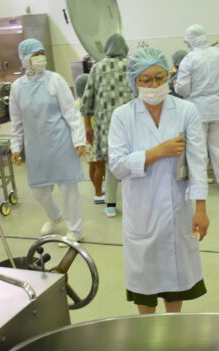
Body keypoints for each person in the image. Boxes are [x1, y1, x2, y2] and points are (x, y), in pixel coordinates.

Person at [109, 47, 209, 314]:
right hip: (141, 209)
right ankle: (146, 331)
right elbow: (117, 166)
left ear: (169, 77)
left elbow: (198, 161)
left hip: (179, 207)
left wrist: (201, 208)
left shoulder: (186, 110)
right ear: (134, 81)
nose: (154, 85)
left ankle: (173, 328)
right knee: (144, 277)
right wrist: (157, 152)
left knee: (175, 275)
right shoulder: (123, 115)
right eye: (146, 79)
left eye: (159, 77)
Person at [10, 38, 86, 243]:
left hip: (60, 142)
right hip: (36, 146)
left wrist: (79, 140)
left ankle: (75, 231)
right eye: (35, 54)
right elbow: (16, 120)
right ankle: (54, 216)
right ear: (24, 58)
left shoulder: (55, 80)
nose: (40, 58)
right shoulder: (17, 87)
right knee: (38, 190)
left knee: (68, 188)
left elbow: (71, 112)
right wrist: (15, 147)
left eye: (42, 53)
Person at [174, 24, 219, 192]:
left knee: (198, 147)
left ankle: (200, 182)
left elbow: (183, 88)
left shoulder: (189, 58)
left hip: (197, 108)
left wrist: (176, 87)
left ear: (192, 40)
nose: (187, 45)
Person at [81, 33, 134, 218]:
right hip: (131, 122)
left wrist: (87, 124)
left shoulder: (97, 68)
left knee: (113, 162)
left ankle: (110, 204)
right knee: (133, 161)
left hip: (106, 125)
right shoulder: (132, 65)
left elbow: (87, 99)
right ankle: (133, 202)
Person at [75, 73, 104, 203]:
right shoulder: (90, 103)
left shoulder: (77, 102)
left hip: (85, 139)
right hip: (93, 137)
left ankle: (96, 189)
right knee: (100, 166)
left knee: (92, 165)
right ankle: (98, 194)